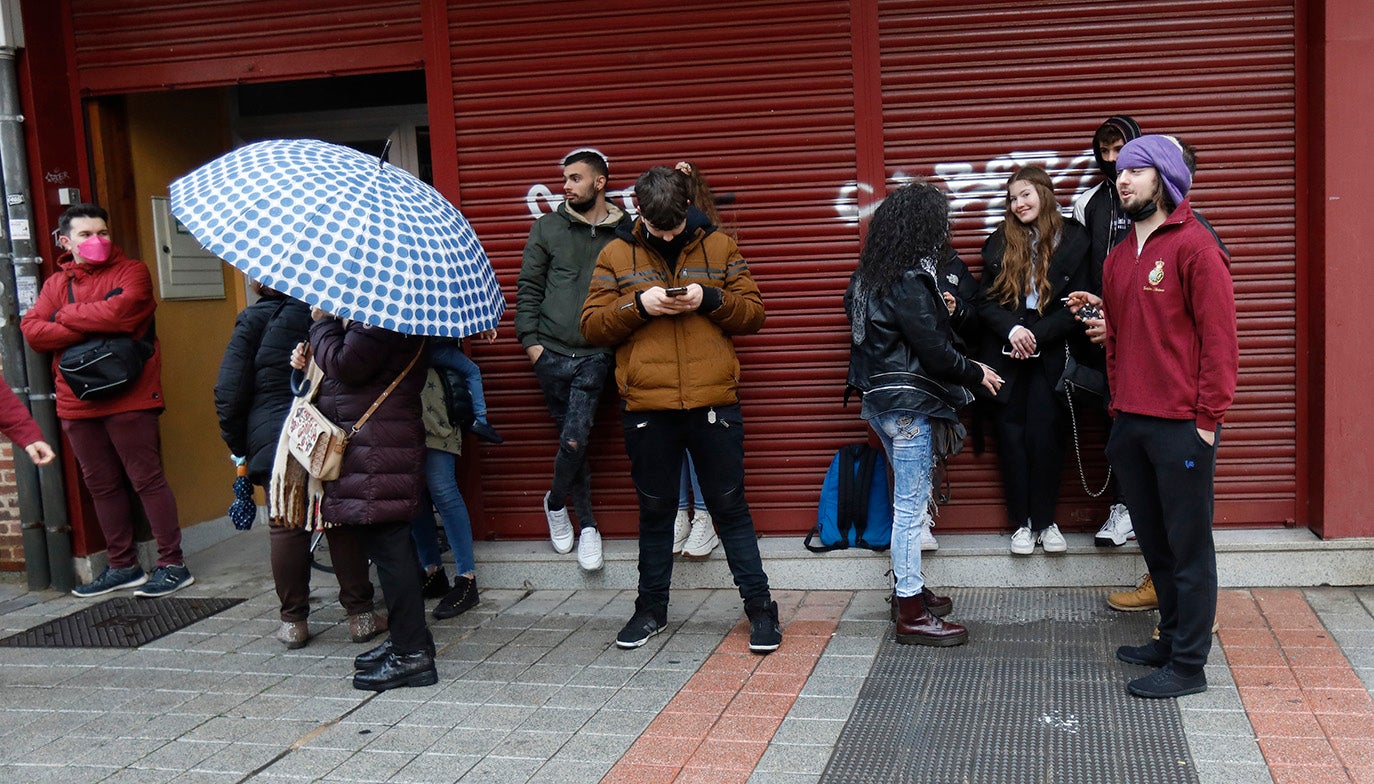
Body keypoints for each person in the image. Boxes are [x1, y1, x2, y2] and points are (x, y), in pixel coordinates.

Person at [581, 165, 782, 654]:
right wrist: (639, 305)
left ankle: (761, 611)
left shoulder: (719, 247)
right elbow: (590, 326)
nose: (668, 234)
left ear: (689, 208)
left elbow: (753, 312)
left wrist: (709, 297)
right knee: (654, 513)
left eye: (676, 226)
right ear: (640, 213)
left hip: (714, 403)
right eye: (658, 228)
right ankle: (650, 611)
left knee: (731, 509)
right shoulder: (614, 252)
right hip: (648, 407)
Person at [1070, 134, 1238, 699]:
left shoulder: (1196, 246)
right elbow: (1118, 338)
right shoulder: (1118, 256)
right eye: (1121, 171)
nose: (1123, 178)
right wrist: (1117, 407)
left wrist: (1208, 420)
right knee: (1155, 544)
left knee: (1189, 548)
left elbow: (1220, 345)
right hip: (1132, 423)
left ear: (1163, 179)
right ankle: (1168, 637)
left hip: (1182, 426)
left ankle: (1189, 665)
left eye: (1137, 171)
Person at [845, 182, 1001, 646]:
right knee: (911, 511)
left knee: (907, 507)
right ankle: (910, 612)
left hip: (880, 403)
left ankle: (907, 591)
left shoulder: (866, 277)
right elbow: (933, 351)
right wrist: (975, 372)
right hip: (909, 405)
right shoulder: (910, 279)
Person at [21, 203, 193, 598]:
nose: (97, 241)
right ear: (66, 241)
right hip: (75, 398)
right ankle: (122, 566)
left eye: (102, 232)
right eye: (86, 234)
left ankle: (172, 564)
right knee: (101, 485)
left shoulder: (132, 271)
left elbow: (123, 315)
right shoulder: (54, 283)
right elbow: (33, 332)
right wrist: (87, 320)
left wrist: (63, 317)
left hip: (130, 393)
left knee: (146, 479)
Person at [215, 282, 382, 649]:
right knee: (339, 520)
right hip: (328, 428)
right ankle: (361, 617)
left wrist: (239, 445)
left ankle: (293, 622)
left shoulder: (254, 319)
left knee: (287, 523)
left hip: (274, 436)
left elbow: (229, 389)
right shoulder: (335, 309)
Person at [291, 312, 436, 692]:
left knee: (391, 548)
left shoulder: (381, 313)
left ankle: (412, 654)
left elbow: (346, 364)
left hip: (378, 446)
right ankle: (411, 640)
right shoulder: (382, 310)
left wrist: (321, 323)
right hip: (377, 441)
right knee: (389, 546)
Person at [517, 148, 630, 571]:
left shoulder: (626, 232)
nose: (566, 186)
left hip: (597, 354)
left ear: (600, 183)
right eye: (565, 178)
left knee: (574, 440)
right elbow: (529, 286)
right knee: (572, 441)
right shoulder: (547, 227)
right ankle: (585, 526)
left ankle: (566, 510)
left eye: (576, 178)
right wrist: (532, 344)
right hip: (550, 352)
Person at [974, 167, 1090, 555]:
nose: (1018, 204)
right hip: (1006, 357)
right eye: (1011, 198)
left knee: (1046, 438)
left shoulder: (1075, 239)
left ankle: (1046, 521)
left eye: (1025, 194)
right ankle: (1021, 524)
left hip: (1051, 354)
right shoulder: (999, 242)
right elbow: (985, 301)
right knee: (1011, 439)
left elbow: (1080, 302)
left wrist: (1036, 335)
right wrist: (1013, 331)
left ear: (1044, 192)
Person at [1072, 115, 1142, 548]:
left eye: (1120, 148)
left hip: (1149, 337)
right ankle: (1125, 506)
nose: (1112, 159)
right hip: (1103, 336)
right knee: (1114, 423)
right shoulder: (1088, 203)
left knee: (1147, 425)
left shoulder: (1157, 197)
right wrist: (1093, 322)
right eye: (1105, 151)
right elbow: (1081, 274)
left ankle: (1140, 509)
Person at [409, 337, 488, 619]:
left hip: (437, 421)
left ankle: (467, 579)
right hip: (404, 420)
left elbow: (469, 368)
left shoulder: (433, 334)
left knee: (443, 490)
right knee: (414, 496)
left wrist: (481, 416)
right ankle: (432, 570)